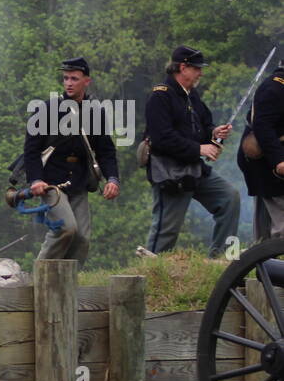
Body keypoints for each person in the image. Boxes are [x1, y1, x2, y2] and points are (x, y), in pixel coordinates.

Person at [23, 57, 121, 265]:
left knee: (82, 238)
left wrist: (112, 178)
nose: (68, 82)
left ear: (87, 81)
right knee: (66, 228)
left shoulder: (95, 113)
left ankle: (67, 284)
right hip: (50, 184)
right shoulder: (46, 110)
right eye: (66, 78)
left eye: (74, 78)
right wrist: (35, 180)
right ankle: (40, 278)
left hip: (78, 182)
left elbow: (106, 151)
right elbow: (31, 151)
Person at [144, 45, 240, 255]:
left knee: (229, 198)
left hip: (195, 169)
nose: (200, 72)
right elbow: (162, 139)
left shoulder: (192, 95)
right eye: (196, 68)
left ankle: (222, 261)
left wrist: (215, 133)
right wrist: (200, 148)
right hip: (170, 172)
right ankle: (148, 275)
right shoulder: (160, 96)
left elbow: (204, 126)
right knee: (166, 231)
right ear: (182, 68)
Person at [236, 61, 284, 241]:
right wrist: (279, 161)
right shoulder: (275, 88)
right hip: (266, 162)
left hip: (270, 161)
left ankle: (264, 264)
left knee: (265, 228)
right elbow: (263, 126)